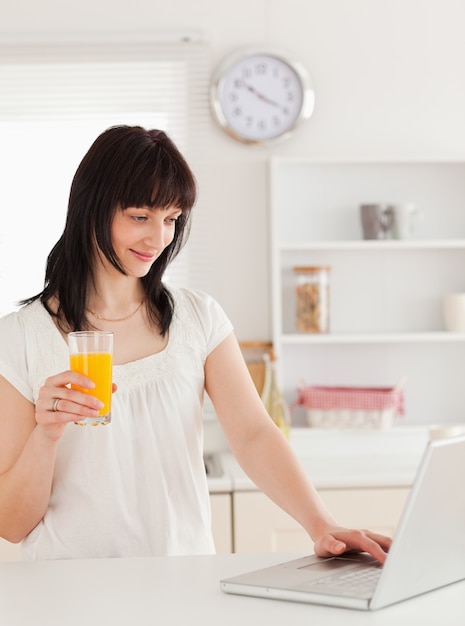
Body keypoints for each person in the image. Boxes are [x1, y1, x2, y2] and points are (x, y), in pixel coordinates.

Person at [0, 125, 391, 561]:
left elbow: (254, 435)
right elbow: (12, 526)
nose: (158, 238)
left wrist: (322, 525)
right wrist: (46, 434)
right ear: (92, 208)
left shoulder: (196, 317)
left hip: (182, 583)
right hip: (70, 594)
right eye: (139, 216)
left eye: (171, 219)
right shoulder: (20, 337)